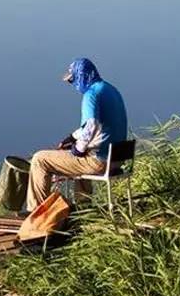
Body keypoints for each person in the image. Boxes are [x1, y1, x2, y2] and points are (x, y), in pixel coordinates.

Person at [25, 58, 127, 212]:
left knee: (40, 159)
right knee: (81, 155)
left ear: (81, 76)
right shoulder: (110, 90)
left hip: (99, 162)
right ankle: (84, 209)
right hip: (117, 159)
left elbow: (91, 124)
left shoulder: (91, 94)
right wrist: (72, 138)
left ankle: (36, 213)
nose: (73, 84)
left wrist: (78, 148)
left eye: (73, 80)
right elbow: (97, 125)